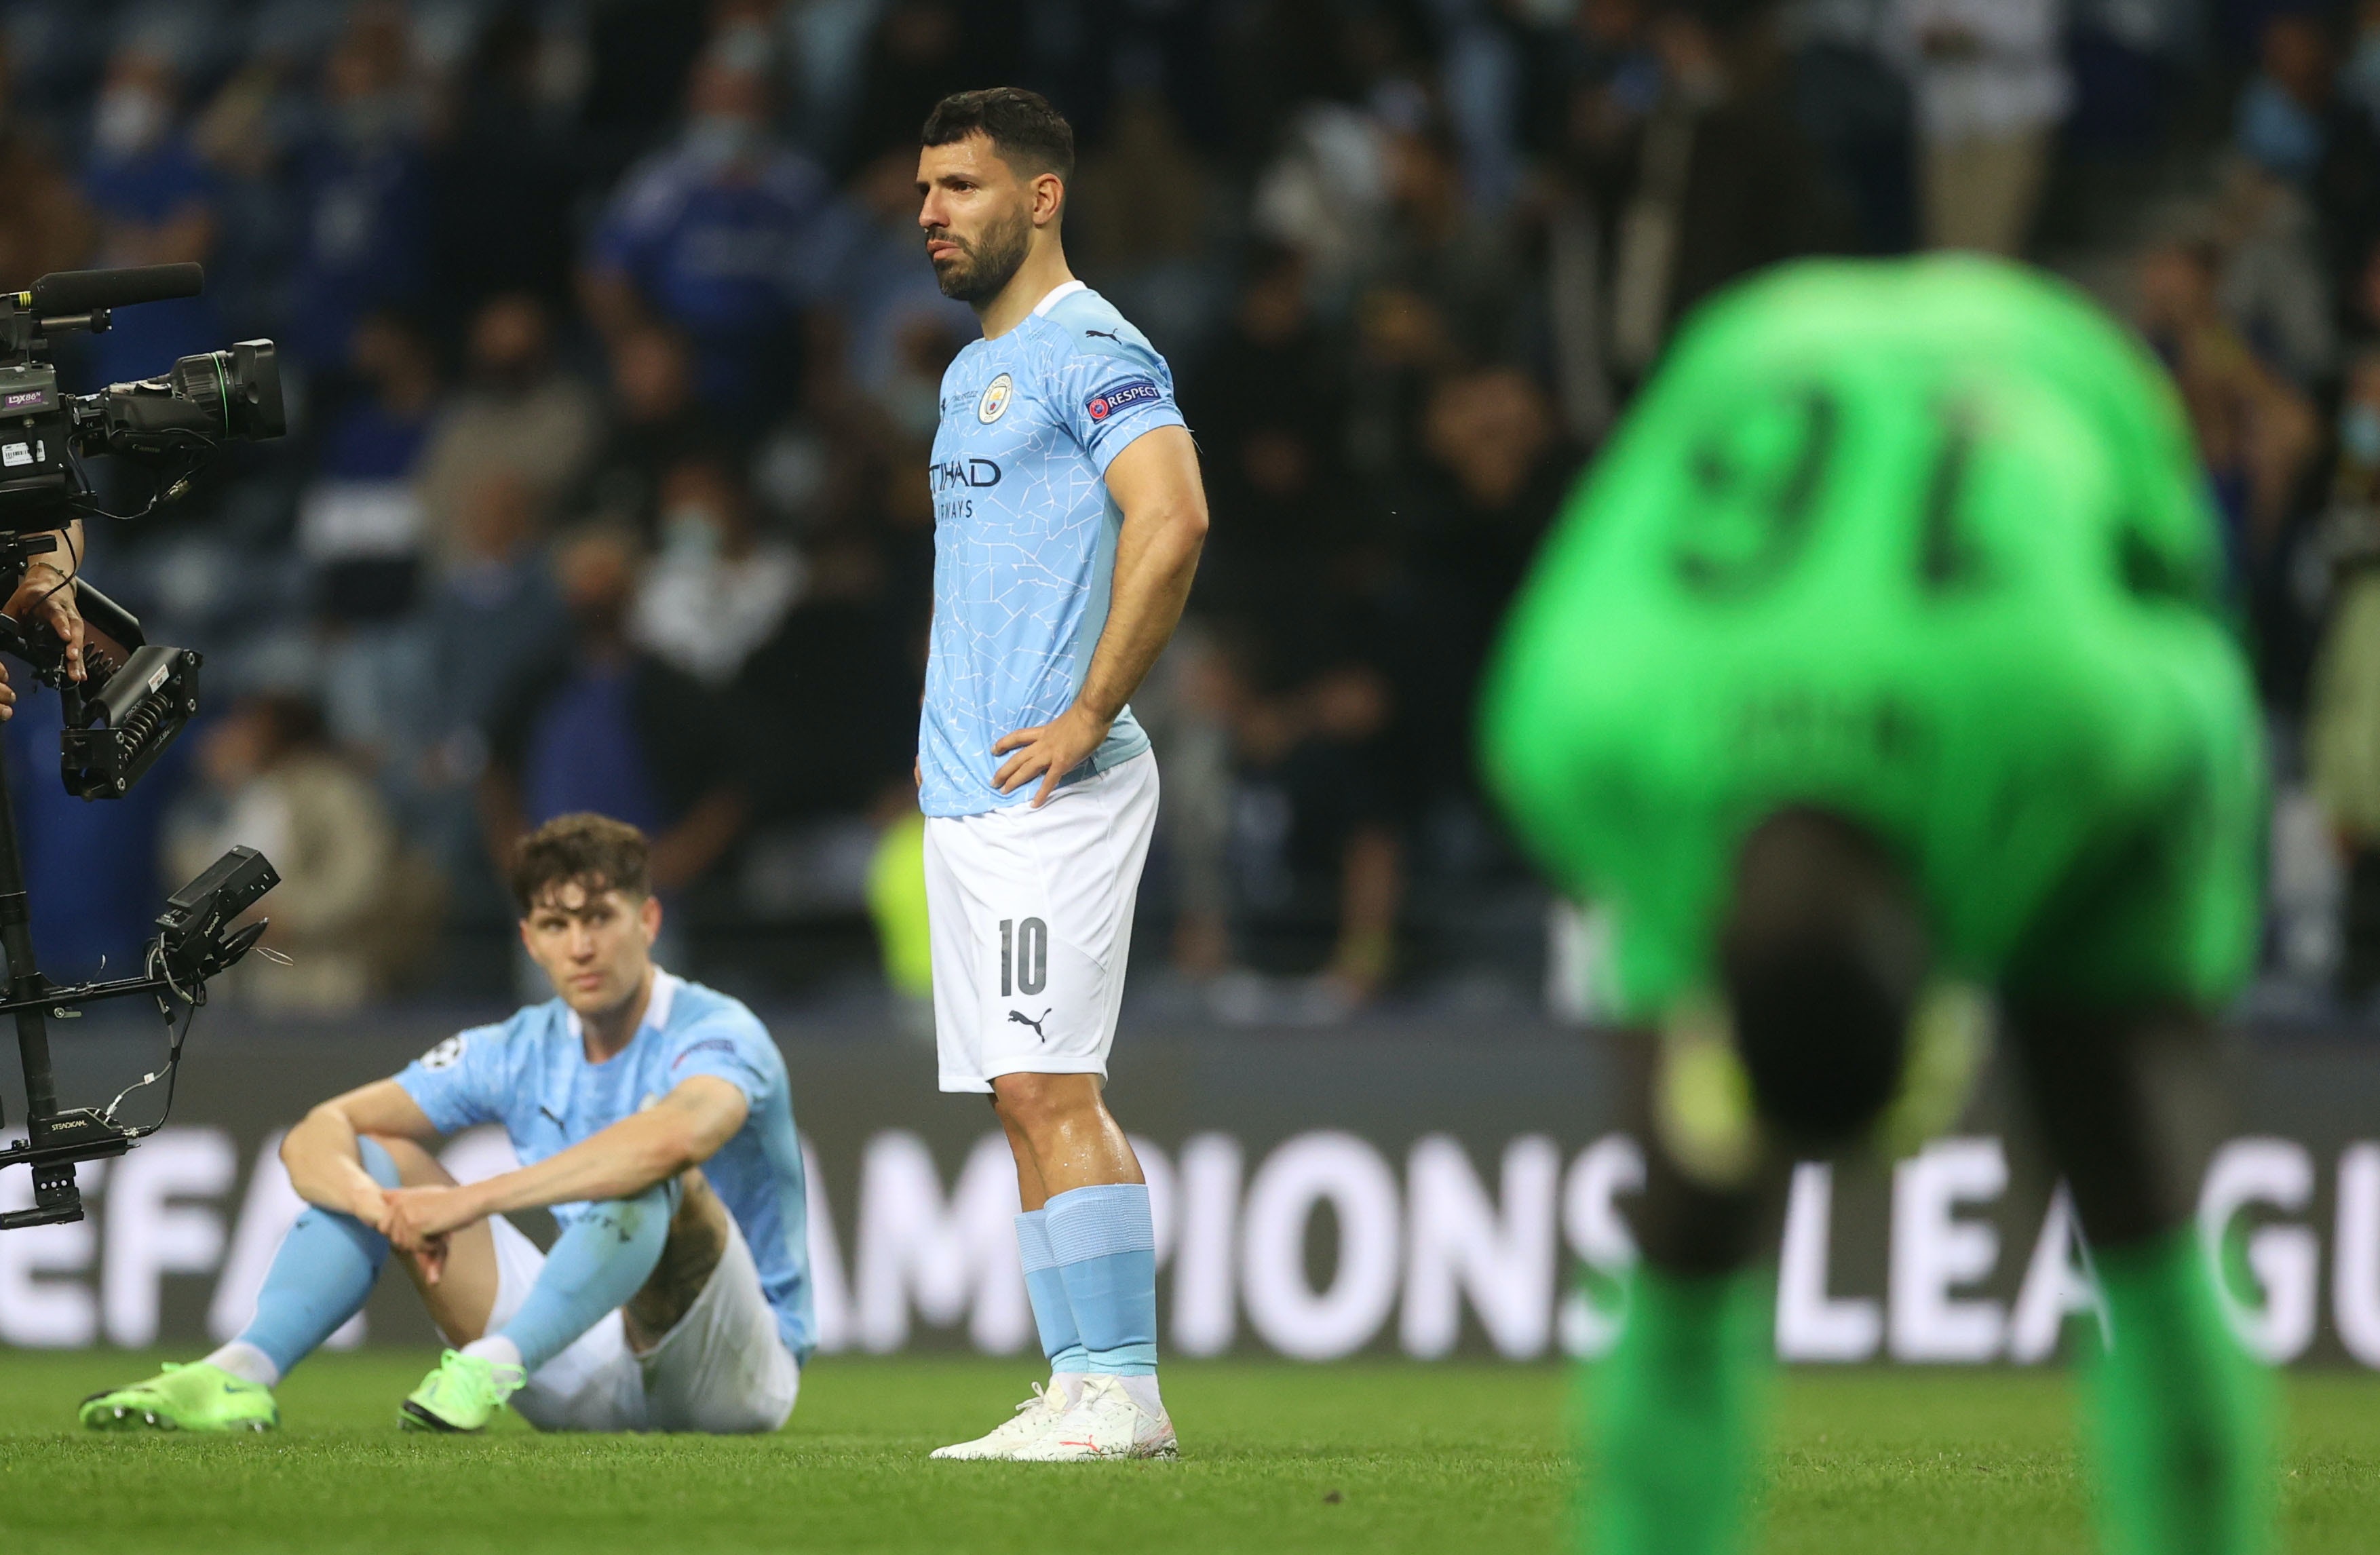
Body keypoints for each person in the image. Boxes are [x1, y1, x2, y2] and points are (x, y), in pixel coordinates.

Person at [1479, 256, 2271, 1554]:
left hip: (2020, 360)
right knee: (2137, 1174)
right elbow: (2207, 703)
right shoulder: (1572, 728)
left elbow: (2201, 683)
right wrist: (2154, 1014)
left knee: (1691, 1206)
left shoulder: (1572, 725)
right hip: (1779, 363)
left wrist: (2135, 972)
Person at [79, 813, 813, 1435]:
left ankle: (492, 1364)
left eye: (599, 918)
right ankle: (240, 1371)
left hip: (732, 1372)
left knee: (651, 1172)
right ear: (530, 939)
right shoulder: (518, 1047)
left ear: (647, 921)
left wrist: (464, 1203)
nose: (581, 947)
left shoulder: (718, 1030)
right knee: (374, 1155)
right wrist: (380, 1208)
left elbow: (672, 1141)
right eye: (557, 925)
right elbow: (317, 1133)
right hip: (581, 1355)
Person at [911, 88, 1208, 1461]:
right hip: (969, 795)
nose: (930, 215)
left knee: (1051, 1088)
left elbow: (1173, 513)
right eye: (923, 191)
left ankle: (1125, 1394)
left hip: (1052, 790)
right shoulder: (971, 371)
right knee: (1017, 1097)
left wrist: (1091, 708)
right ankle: (1077, 1384)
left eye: (960, 188)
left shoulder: (1092, 344)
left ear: (1041, 199)